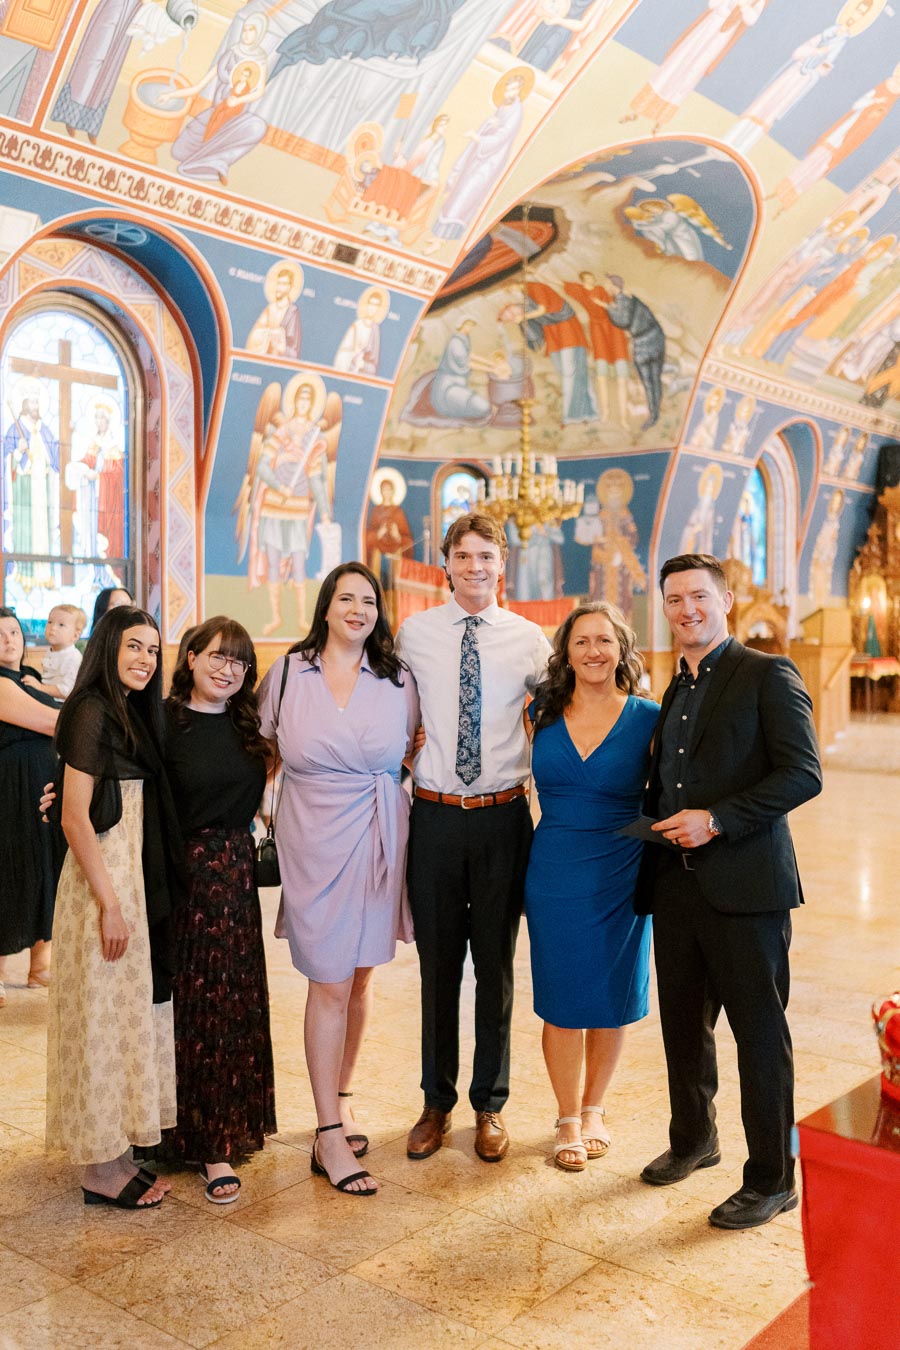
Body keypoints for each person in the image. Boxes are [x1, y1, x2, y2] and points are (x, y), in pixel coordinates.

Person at [635, 554, 821, 1230]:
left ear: (727, 601)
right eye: (675, 599)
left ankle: (773, 1178)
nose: (687, 609)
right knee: (684, 1029)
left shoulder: (767, 674)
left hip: (747, 890)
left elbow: (804, 774)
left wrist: (717, 820)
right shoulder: (674, 687)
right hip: (676, 890)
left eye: (699, 597)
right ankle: (694, 1140)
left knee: (759, 1036)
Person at [257, 563, 418, 1196]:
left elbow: (414, 748)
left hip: (379, 833)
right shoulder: (290, 672)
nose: (358, 609)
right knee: (328, 978)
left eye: (369, 601)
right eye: (346, 598)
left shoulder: (397, 678)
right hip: (313, 838)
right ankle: (327, 1132)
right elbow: (259, 747)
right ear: (325, 608)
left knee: (359, 974)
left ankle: (342, 1097)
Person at [396, 513, 551, 1164]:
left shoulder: (530, 640)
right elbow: (388, 710)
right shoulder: (413, 634)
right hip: (432, 816)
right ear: (446, 564)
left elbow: (562, 715)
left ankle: (490, 1104)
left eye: (486, 555)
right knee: (437, 968)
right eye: (464, 556)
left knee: (494, 966)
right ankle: (436, 1101)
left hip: (501, 818)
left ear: (502, 563)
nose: (476, 566)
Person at [45, 606, 182, 1209]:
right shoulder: (92, 710)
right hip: (105, 883)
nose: (144, 659)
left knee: (123, 1015)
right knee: (100, 1019)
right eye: (133, 646)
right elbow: (75, 815)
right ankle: (98, 1171)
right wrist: (109, 904)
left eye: (153, 650)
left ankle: (116, 1150)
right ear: (107, 647)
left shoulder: (129, 712)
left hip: (130, 877)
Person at [525, 603, 658, 1170]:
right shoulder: (541, 712)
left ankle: (595, 1106)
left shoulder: (649, 717)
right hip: (554, 867)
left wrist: (647, 840)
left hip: (621, 868)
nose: (594, 651)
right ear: (567, 651)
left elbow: (672, 790)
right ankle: (565, 1116)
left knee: (610, 996)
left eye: (605, 640)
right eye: (582, 641)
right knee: (561, 999)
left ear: (622, 649)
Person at [161, 616, 277, 1201]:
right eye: (217, 656)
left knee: (231, 1007)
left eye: (238, 662)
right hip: (179, 876)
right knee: (184, 1007)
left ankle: (222, 1141)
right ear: (190, 658)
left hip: (235, 878)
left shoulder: (247, 727)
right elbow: (118, 779)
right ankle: (178, 1134)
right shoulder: (163, 723)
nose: (228, 669)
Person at [0, 608, 64, 1005]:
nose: (9, 639)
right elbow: (49, 723)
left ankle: (40, 965)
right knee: (11, 868)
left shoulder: (33, 679)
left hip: (42, 781)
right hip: (9, 786)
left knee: (44, 866)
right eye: (1, 634)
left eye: (14, 632)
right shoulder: (2, 683)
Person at [24, 604, 86, 701]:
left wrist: (40, 687)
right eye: (50, 622)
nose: (53, 627)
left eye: (61, 625)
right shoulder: (52, 650)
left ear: (75, 636)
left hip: (60, 705)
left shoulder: (73, 658)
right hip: (47, 696)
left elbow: (67, 691)